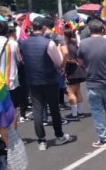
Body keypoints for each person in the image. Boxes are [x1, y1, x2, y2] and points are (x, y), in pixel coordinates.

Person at [19, 17, 72, 151]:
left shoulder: (24, 43)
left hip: (33, 80)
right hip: (49, 79)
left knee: (38, 110)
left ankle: (41, 140)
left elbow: (22, 60)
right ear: (43, 28)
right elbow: (58, 61)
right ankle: (59, 135)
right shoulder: (49, 43)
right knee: (54, 109)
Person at [79, 19, 106, 148]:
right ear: (103, 30)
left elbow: (80, 62)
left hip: (93, 81)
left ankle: (104, 138)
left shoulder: (83, 44)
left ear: (89, 30)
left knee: (97, 111)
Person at [0, 21, 24, 126]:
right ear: (7, 31)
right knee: (12, 111)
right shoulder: (14, 44)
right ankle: (12, 137)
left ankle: (1, 137)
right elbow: (20, 61)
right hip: (11, 82)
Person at [63, 29, 86, 122]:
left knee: (70, 92)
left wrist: (65, 60)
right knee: (77, 91)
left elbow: (72, 60)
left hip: (73, 71)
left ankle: (74, 114)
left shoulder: (68, 47)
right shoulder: (74, 45)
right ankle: (79, 112)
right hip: (79, 71)